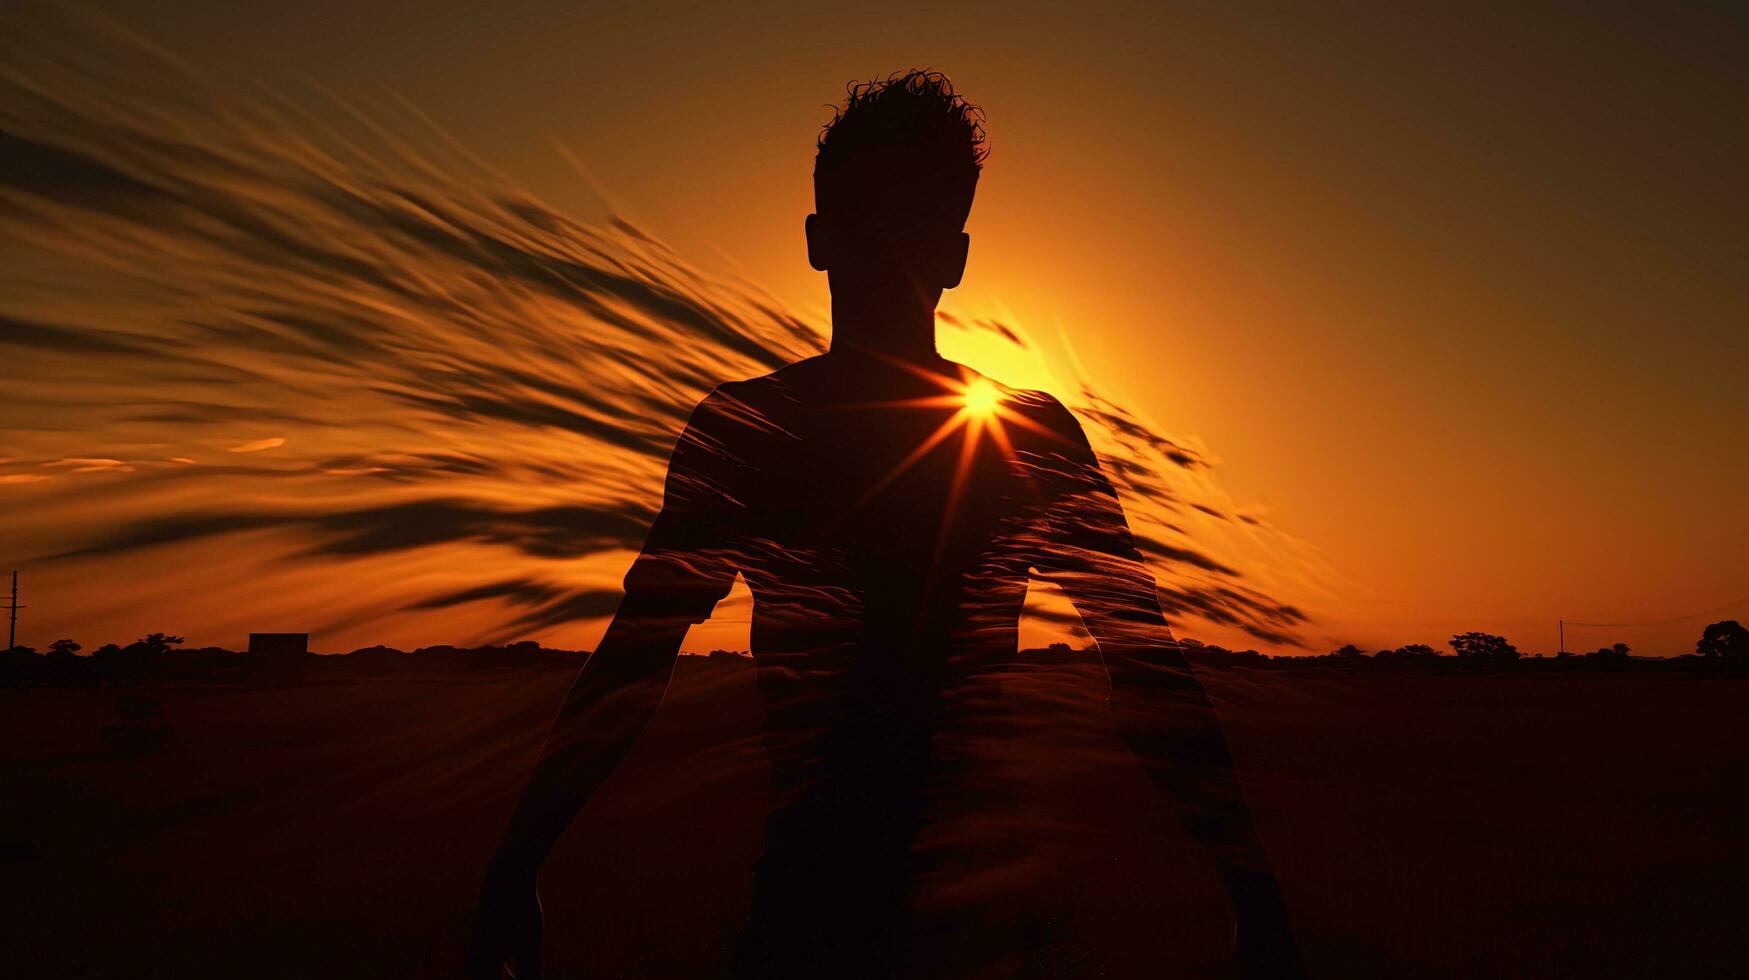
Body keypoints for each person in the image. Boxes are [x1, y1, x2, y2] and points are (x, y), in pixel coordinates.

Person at [470, 70, 1302, 980]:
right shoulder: (1016, 438)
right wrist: (1249, 886)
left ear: (818, 243)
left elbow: (633, 661)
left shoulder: (757, 431)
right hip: (954, 913)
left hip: (829, 912)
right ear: (954, 256)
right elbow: (1149, 674)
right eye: (884, 225)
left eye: (900, 227)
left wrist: (518, 859)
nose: (890, 253)